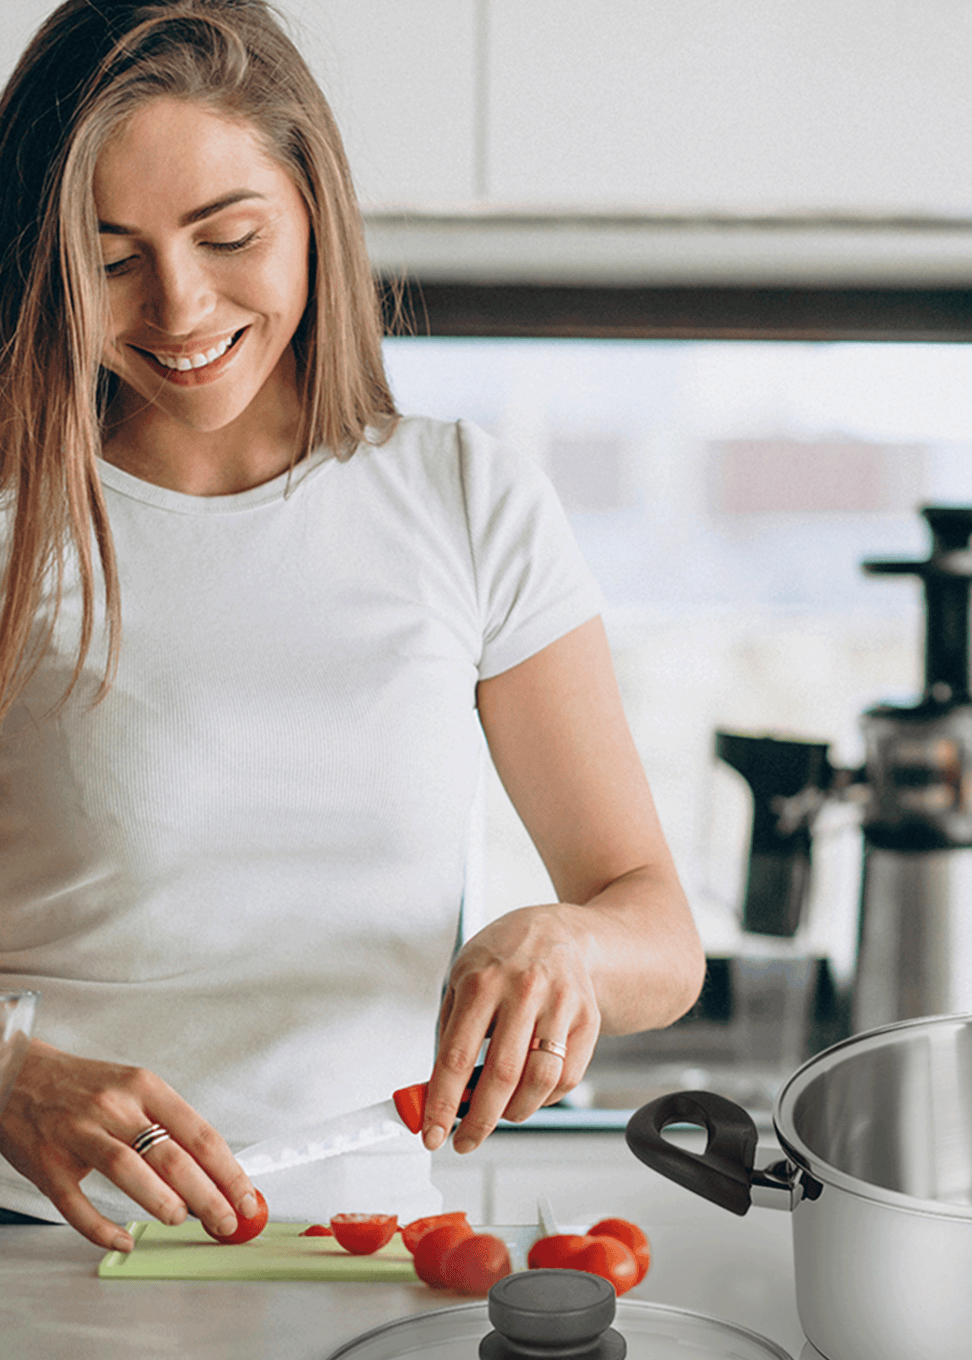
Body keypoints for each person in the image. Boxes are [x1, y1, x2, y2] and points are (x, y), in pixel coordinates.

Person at [0, 0, 705, 1250]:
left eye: (229, 235)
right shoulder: (15, 520)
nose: (177, 304)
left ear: (312, 206)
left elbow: (653, 927)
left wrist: (565, 945)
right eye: (110, 260)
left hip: (370, 1254)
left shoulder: (464, 497)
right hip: (46, 1255)